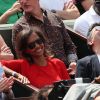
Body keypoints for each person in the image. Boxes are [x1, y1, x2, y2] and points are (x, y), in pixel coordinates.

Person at [12, 0, 78, 75]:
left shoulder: (54, 17)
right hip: (41, 75)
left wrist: (72, 62)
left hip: (66, 71)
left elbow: (70, 46)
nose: (23, 1)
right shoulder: (19, 27)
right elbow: (22, 59)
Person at [1, 27, 70, 89]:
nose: (37, 46)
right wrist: (17, 75)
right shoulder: (22, 64)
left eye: (39, 41)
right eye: (31, 45)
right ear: (25, 50)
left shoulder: (57, 63)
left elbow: (70, 89)